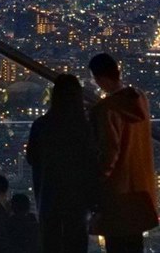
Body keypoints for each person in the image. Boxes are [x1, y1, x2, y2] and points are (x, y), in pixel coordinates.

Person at [87, 53, 159, 253]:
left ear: (99, 78)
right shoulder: (140, 99)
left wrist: (96, 183)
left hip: (116, 195)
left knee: (117, 245)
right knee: (135, 245)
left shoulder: (106, 110)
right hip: (141, 191)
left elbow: (109, 153)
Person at [25, 73, 98, 253]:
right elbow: (93, 161)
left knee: (51, 243)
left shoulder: (41, 125)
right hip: (79, 197)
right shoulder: (85, 127)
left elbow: (31, 157)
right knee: (77, 242)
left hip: (49, 195)